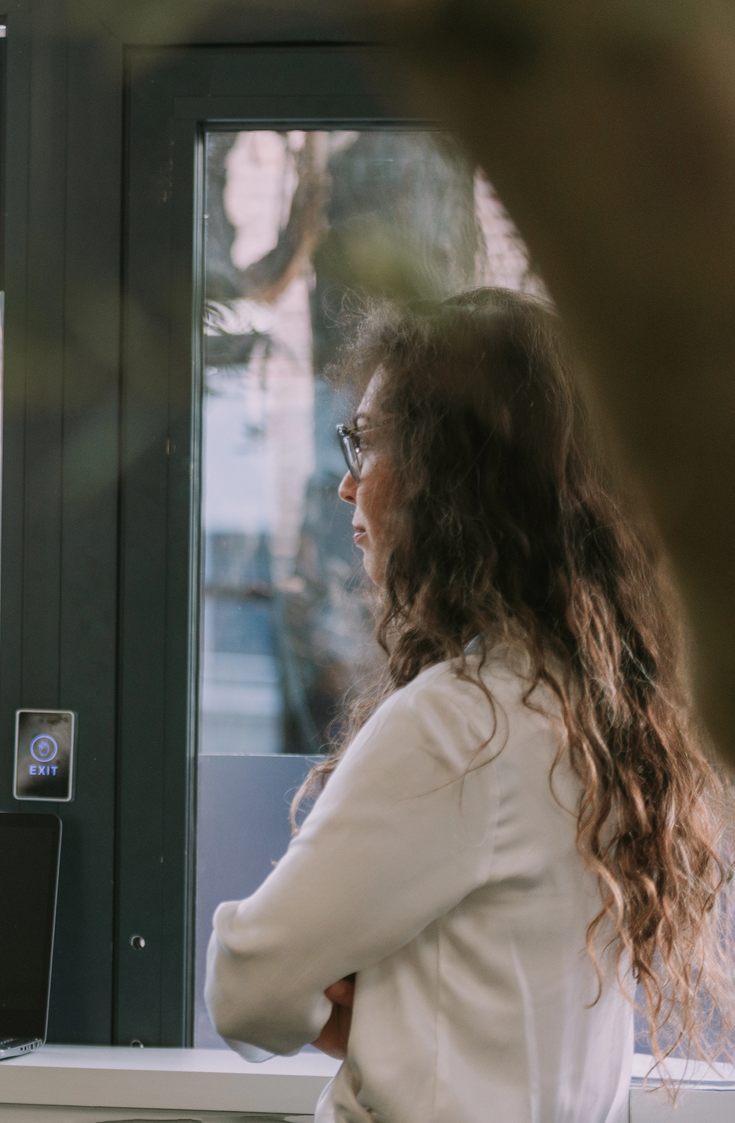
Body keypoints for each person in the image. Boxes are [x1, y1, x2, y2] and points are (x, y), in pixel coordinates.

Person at [206, 288, 730, 1121]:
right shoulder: (600, 714)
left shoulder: (459, 726)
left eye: (368, 443)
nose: (347, 487)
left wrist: (355, 1001)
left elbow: (246, 983)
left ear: (449, 473)